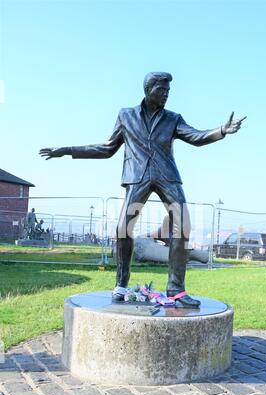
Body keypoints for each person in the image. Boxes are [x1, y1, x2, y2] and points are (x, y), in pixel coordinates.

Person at [40, 72, 246, 306]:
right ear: (148, 90)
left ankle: (176, 289)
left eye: (168, 91)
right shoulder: (126, 116)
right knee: (123, 228)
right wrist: (67, 150)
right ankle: (121, 283)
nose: (166, 95)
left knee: (183, 225)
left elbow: (196, 137)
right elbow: (107, 149)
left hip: (167, 176)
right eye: (162, 90)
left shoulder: (173, 118)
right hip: (137, 177)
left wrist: (221, 130)